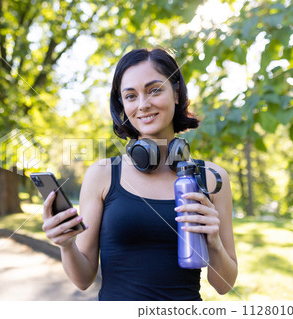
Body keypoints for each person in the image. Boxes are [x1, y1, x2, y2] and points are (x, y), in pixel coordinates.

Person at [42, 48, 238, 301]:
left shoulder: (212, 177)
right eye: (131, 96)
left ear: (176, 93)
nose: (143, 104)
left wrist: (214, 242)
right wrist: (66, 245)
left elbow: (224, 285)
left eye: (155, 90)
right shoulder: (102, 175)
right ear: (122, 104)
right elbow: (83, 280)